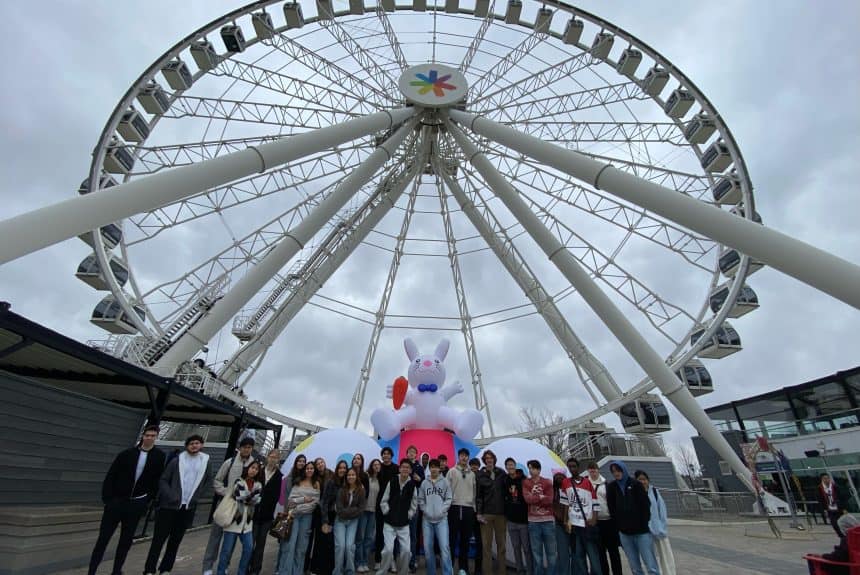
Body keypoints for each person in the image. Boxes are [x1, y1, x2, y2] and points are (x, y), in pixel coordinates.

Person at [89, 424, 166, 575]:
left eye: (153, 436)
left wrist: (147, 500)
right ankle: (92, 571)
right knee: (103, 539)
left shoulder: (159, 456)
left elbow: (156, 480)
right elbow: (111, 475)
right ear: (142, 436)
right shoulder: (126, 454)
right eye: (147, 435)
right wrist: (108, 499)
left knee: (126, 540)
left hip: (136, 503)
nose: (149, 438)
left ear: (156, 437)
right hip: (117, 501)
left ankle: (117, 570)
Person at [144, 434, 211, 575]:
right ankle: (149, 569)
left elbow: (208, 480)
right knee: (158, 539)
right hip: (169, 506)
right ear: (187, 446)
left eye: (197, 443)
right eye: (191, 443)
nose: (194, 445)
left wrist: (197, 496)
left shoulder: (205, 462)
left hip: (187, 507)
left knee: (175, 541)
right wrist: (171, 495)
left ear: (201, 445)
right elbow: (163, 479)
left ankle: (165, 569)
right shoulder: (177, 461)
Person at [203, 436, 259, 575]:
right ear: (240, 448)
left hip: (242, 508)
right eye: (244, 447)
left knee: (231, 539)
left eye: (249, 447)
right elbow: (217, 480)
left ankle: (225, 565)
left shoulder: (254, 464)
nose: (246, 450)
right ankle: (208, 566)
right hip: (226, 504)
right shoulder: (230, 462)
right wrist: (227, 493)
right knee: (215, 536)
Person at [605, 461, 658, 575]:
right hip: (625, 534)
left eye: (618, 470)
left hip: (641, 532)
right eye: (613, 471)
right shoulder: (612, 487)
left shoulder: (636, 484)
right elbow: (611, 508)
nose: (616, 473)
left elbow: (645, 505)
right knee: (635, 567)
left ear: (623, 470)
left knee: (650, 565)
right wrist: (619, 525)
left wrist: (643, 523)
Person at [217, 460, 263, 575]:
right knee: (226, 551)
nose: (254, 470)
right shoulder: (239, 481)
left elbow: (255, 500)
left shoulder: (258, 484)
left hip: (247, 523)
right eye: (252, 467)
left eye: (256, 469)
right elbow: (242, 497)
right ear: (248, 468)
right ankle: (220, 572)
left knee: (248, 548)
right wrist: (252, 497)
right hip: (234, 520)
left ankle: (241, 572)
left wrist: (250, 497)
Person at [275, 461, 320, 575]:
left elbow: (314, 503)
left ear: (314, 470)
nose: (309, 470)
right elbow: (291, 501)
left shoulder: (316, 484)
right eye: (307, 468)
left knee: (301, 548)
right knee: (289, 546)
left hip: (307, 518)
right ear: (305, 470)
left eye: (311, 468)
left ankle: (297, 572)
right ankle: (284, 572)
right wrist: (303, 500)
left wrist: (299, 506)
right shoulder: (298, 482)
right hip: (293, 517)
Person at [377, 459, 418, 575]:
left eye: (407, 467)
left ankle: (404, 572)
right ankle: (382, 572)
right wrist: (387, 512)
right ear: (399, 469)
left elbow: (414, 504)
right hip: (389, 523)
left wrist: (409, 515)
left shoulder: (412, 485)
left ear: (410, 470)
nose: (405, 469)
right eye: (403, 467)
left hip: (404, 524)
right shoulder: (393, 481)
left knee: (406, 551)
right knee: (388, 550)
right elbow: (384, 500)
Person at [564, 458, 601, 575]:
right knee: (579, 556)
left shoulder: (587, 482)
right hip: (575, 525)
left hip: (586, 525)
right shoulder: (566, 482)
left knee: (593, 557)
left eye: (574, 466)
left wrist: (594, 519)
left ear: (578, 467)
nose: (572, 469)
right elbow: (565, 503)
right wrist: (566, 520)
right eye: (569, 466)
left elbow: (595, 502)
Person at [249, 449, 282, 575]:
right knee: (249, 544)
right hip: (254, 513)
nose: (273, 459)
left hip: (267, 516)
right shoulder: (259, 471)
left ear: (278, 460)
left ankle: (255, 570)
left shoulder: (279, 476)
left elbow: (276, 496)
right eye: (271, 456)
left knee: (260, 544)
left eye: (276, 457)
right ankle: (246, 567)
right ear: (267, 457)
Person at [418, 458, 453, 575]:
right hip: (427, 520)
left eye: (436, 467)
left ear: (439, 469)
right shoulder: (424, 483)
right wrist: (425, 510)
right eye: (431, 467)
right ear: (429, 468)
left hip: (442, 520)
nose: (434, 469)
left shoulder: (445, 482)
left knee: (444, 547)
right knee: (428, 549)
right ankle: (431, 572)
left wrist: (442, 511)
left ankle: (447, 573)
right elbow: (420, 499)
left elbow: (449, 498)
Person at [586, 461, 622, 575]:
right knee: (600, 552)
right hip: (596, 522)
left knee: (613, 551)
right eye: (591, 470)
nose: (593, 472)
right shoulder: (586, 483)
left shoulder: (606, 484)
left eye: (594, 469)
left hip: (609, 521)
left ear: (598, 470)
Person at [635, 471, 673, 575]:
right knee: (650, 557)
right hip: (644, 531)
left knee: (664, 555)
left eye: (644, 479)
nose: (642, 482)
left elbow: (662, 510)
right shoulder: (635, 494)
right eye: (639, 480)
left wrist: (662, 527)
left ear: (648, 480)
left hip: (658, 530)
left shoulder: (655, 492)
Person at [523, 459, 556, 575]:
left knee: (551, 553)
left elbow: (550, 500)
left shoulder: (547, 482)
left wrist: (535, 498)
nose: (530, 470)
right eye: (529, 468)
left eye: (533, 468)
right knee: (537, 554)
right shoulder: (526, 483)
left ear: (539, 469)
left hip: (548, 521)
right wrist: (541, 497)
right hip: (533, 522)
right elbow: (527, 499)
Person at [476, 449, 507, 575]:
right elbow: (478, 496)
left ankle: (502, 572)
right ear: (484, 460)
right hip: (486, 514)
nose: (489, 460)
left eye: (491, 457)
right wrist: (479, 513)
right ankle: (487, 572)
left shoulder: (501, 472)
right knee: (486, 546)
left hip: (501, 514)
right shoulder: (480, 474)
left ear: (494, 459)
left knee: (502, 546)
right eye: (487, 458)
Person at [448, 448, 477, 575]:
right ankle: (449, 567)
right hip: (454, 508)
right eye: (461, 455)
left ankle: (463, 568)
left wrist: (474, 508)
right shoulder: (452, 471)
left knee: (465, 540)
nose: (464, 458)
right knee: (452, 539)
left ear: (468, 458)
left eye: (466, 456)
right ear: (458, 457)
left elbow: (474, 493)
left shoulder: (472, 474)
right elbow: (447, 490)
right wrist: (448, 506)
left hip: (468, 509)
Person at [335, 467, 368, 575]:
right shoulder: (341, 490)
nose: (351, 477)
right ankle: (338, 572)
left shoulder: (361, 490)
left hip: (353, 521)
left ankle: (350, 571)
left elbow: (361, 508)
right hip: (340, 521)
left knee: (349, 546)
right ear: (346, 477)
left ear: (356, 476)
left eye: (353, 475)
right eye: (349, 475)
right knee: (340, 546)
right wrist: (353, 509)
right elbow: (339, 510)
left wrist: (349, 511)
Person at [503, 458, 533, 575]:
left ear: (515, 466)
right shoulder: (505, 480)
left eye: (512, 464)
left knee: (526, 548)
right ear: (506, 467)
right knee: (516, 547)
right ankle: (520, 570)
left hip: (523, 520)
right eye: (508, 465)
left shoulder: (523, 479)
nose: (510, 467)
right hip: (511, 520)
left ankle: (530, 571)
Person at [315, 458, 344, 575]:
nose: (342, 470)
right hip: (328, 515)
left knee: (333, 544)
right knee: (324, 542)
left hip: (339, 517)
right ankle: (322, 569)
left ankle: (332, 568)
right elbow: (325, 501)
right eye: (340, 468)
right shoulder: (331, 481)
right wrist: (325, 521)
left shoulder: (345, 482)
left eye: (344, 468)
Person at [357, 458, 382, 572]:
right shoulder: (366, 476)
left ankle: (365, 562)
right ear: (371, 466)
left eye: (378, 465)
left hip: (373, 512)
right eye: (374, 464)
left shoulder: (379, 479)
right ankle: (359, 562)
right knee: (360, 537)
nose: (377, 466)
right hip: (363, 511)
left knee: (368, 538)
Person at [405, 445, 426, 573]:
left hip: (415, 503)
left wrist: (420, 479)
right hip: (403, 503)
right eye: (410, 452)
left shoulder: (419, 467)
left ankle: (413, 560)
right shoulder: (403, 465)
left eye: (413, 452)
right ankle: (402, 559)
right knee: (402, 533)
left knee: (414, 532)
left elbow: (424, 483)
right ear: (406, 454)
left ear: (416, 454)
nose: (411, 454)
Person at [376, 447, 399, 567]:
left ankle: (392, 560)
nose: (386, 455)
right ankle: (378, 560)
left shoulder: (396, 468)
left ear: (391, 455)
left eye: (388, 454)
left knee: (392, 534)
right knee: (379, 532)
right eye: (384, 454)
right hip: (379, 504)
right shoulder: (378, 467)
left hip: (393, 505)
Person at [553, 473, 572, 575]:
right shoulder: (554, 491)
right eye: (557, 479)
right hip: (559, 524)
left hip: (572, 523)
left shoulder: (570, 490)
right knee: (562, 552)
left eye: (561, 478)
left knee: (575, 552)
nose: (559, 480)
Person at [469, 458, 484, 575]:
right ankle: (464, 568)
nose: (474, 467)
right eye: (472, 465)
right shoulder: (467, 476)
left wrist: (480, 511)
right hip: (468, 511)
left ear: (479, 466)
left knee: (480, 541)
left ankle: (478, 569)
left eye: (476, 465)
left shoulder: (482, 477)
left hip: (479, 513)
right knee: (465, 539)